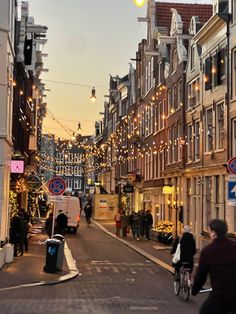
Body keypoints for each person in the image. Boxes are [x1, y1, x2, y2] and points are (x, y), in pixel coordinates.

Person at [192, 219, 236, 314]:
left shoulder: (208, 251)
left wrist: (195, 289)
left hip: (219, 298)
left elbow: (201, 275)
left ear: (213, 233)